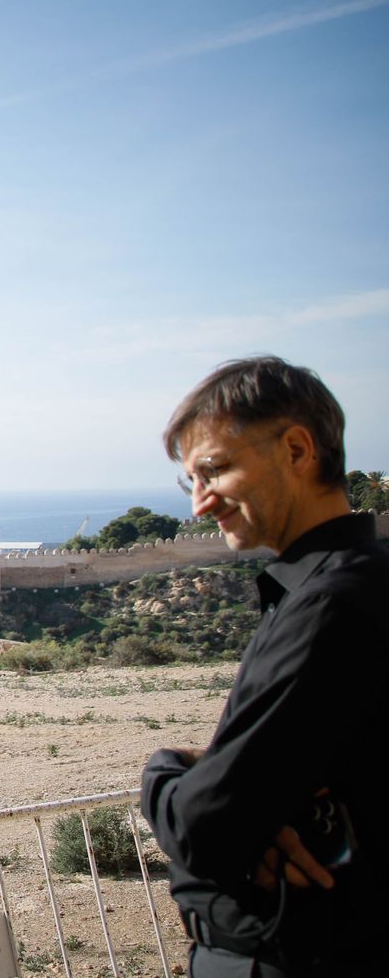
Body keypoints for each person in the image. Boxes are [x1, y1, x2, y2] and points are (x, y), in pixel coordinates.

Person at [141, 356, 386, 977]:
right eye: (189, 482)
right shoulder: (353, 585)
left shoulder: (330, 606)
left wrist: (166, 771)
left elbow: (206, 826)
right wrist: (255, 797)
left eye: (215, 471)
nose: (200, 505)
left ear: (298, 450)